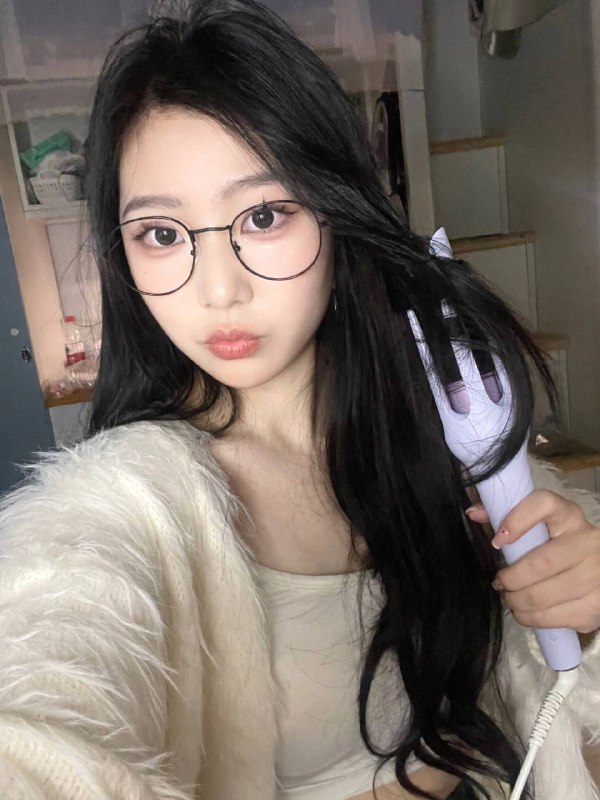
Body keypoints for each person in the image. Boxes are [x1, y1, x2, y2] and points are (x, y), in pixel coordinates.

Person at [0, 1, 599, 798]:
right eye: (163, 234)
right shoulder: (127, 504)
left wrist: (582, 618)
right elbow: (37, 713)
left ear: (338, 211)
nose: (218, 289)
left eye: (264, 215)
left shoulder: (445, 431)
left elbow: (558, 720)